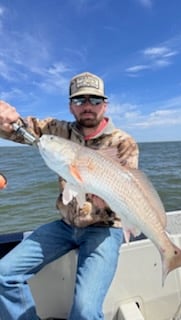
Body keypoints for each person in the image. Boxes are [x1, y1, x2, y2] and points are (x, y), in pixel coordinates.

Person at [0, 72, 139, 320]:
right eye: (79, 100)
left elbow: (127, 191)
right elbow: (17, 129)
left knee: (85, 311)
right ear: (70, 107)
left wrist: (104, 198)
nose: (87, 106)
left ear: (105, 105)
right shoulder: (56, 131)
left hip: (105, 228)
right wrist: (4, 116)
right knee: (2, 273)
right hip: (65, 226)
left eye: (95, 100)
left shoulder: (123, 142)